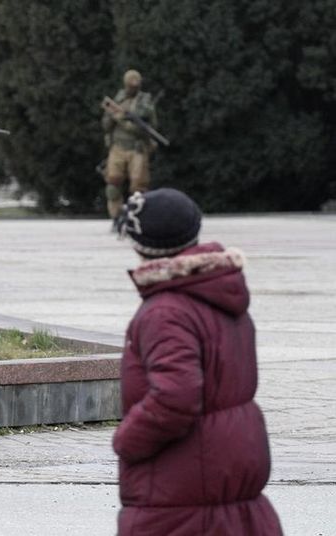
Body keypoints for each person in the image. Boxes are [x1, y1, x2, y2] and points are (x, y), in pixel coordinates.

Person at [113, 188, 283, 535]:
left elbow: (176, 397)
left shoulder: (166, 311)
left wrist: (126, 441)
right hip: (227, 485)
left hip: (179, 491)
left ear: (139, 245)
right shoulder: (219, 290)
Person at [101, 69, 158, 229]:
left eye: (135, 86)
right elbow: (105, 126)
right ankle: (116, 217)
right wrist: (113, 116)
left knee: (138, 189)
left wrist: (124, 122)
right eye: (129, 86)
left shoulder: (145, 103)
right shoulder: (118, 100)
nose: (132, 89)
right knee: (113, 185)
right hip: (118, 147)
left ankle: (138, 218)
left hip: (137, 148)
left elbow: (147, 128)